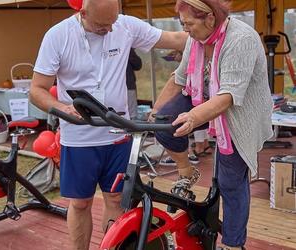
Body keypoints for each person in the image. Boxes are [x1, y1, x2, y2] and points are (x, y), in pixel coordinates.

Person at [29, 0, 187, 249]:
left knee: (116, 199)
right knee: (80, 203)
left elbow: (177, 39)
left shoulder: (124, 25)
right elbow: (36, 90)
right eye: (102, 25)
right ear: (82, 12)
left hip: (117, 134)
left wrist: (221, 33)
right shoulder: (58, 36)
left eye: (112, 22)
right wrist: (63, 109)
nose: (109, 30)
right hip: (78, 137)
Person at [150, 0, 273, 249]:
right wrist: (154, 114)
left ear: (209, 18)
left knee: (230, 182)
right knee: (163, 123)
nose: (185, 29)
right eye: (182, 23)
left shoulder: (241, 40)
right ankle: (187, 171)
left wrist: (194, 117)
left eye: (189, 23)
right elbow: (180, 78)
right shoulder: (195, 40)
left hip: (240, 114)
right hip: (205, 98)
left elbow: (227, 96)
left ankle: (233, 243)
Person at [126, 48, 142, 119]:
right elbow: (138, 65)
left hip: (128, 85)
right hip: (128, 85)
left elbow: (138, 65)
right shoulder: (127, 49)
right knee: (131, 114)